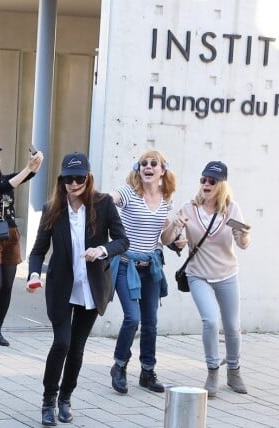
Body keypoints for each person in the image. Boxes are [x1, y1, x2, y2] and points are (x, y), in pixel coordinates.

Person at [28, 152, 129, 426]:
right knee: (62, 343)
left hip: (91, 288)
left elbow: (123, 240)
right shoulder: (52, 209)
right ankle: (48, 399)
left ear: (88, 178)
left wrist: (103, 250)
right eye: (67, 179)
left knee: (77, 349)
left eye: (79, 178)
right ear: (61, 180)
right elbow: (37, 251)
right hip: (62, 287)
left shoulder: (104, 204)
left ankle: (66, 398)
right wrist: (34, 273)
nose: (73, 184)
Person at [170, 160, 251, 398]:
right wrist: (177, 237)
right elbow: (174, 238)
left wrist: (244, 235)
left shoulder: (231, 209)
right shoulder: (188, 207)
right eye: (203, 179)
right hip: (198, 275)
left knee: (233, 327)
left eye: (212, 181)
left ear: (221, 184)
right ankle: (213, 370)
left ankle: (234, 371)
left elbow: (242, 245)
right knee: (210, 321)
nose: (206, 184)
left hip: (227, 274)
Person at [109, 149, 177, 395]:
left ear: (162, 170)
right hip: (126, 265)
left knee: (151, 323)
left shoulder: (166, 198)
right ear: (138, 169)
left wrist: (176, 229)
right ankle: (119, 366)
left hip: (151, 267)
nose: (148, 167)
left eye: (153, 163)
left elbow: (166, 238)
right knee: (132, 318)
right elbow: (110, 198)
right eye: (143, 164)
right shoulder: (129, 193)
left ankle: (147, 372)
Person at [0, 142, 44, 347]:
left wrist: (38, 160)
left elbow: (29, 176)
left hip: (11, 234)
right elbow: (7, 186)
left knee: (7, 287)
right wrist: (29, 167)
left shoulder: (6, 178)